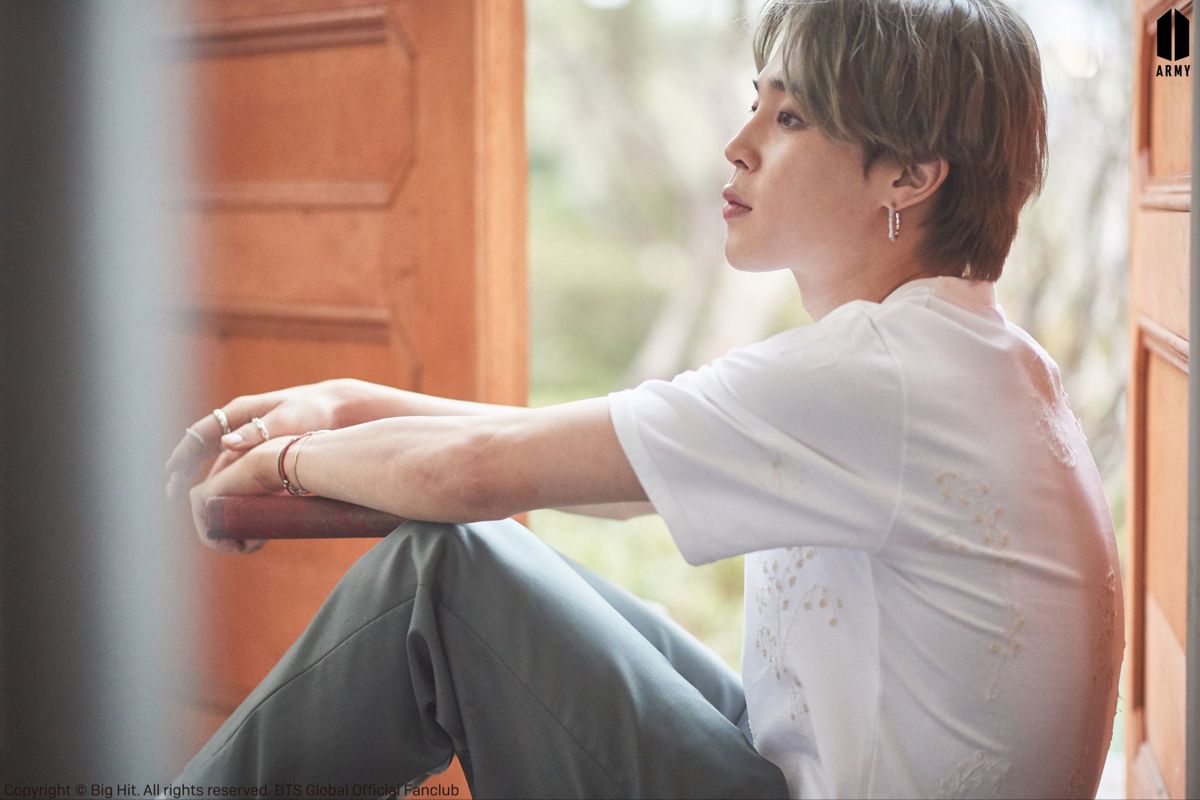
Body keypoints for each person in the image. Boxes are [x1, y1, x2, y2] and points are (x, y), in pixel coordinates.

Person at [162, 0, 1124, 797]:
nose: (738, 145)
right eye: (755, 105)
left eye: (790, 119)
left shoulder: (884, 372)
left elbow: (474, 475)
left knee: (441, 575)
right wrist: (343, 406)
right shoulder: (961, 353)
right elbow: (587, 460)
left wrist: (287, 464)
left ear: (908, 176)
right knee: (564, 598)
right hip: (799, 765)